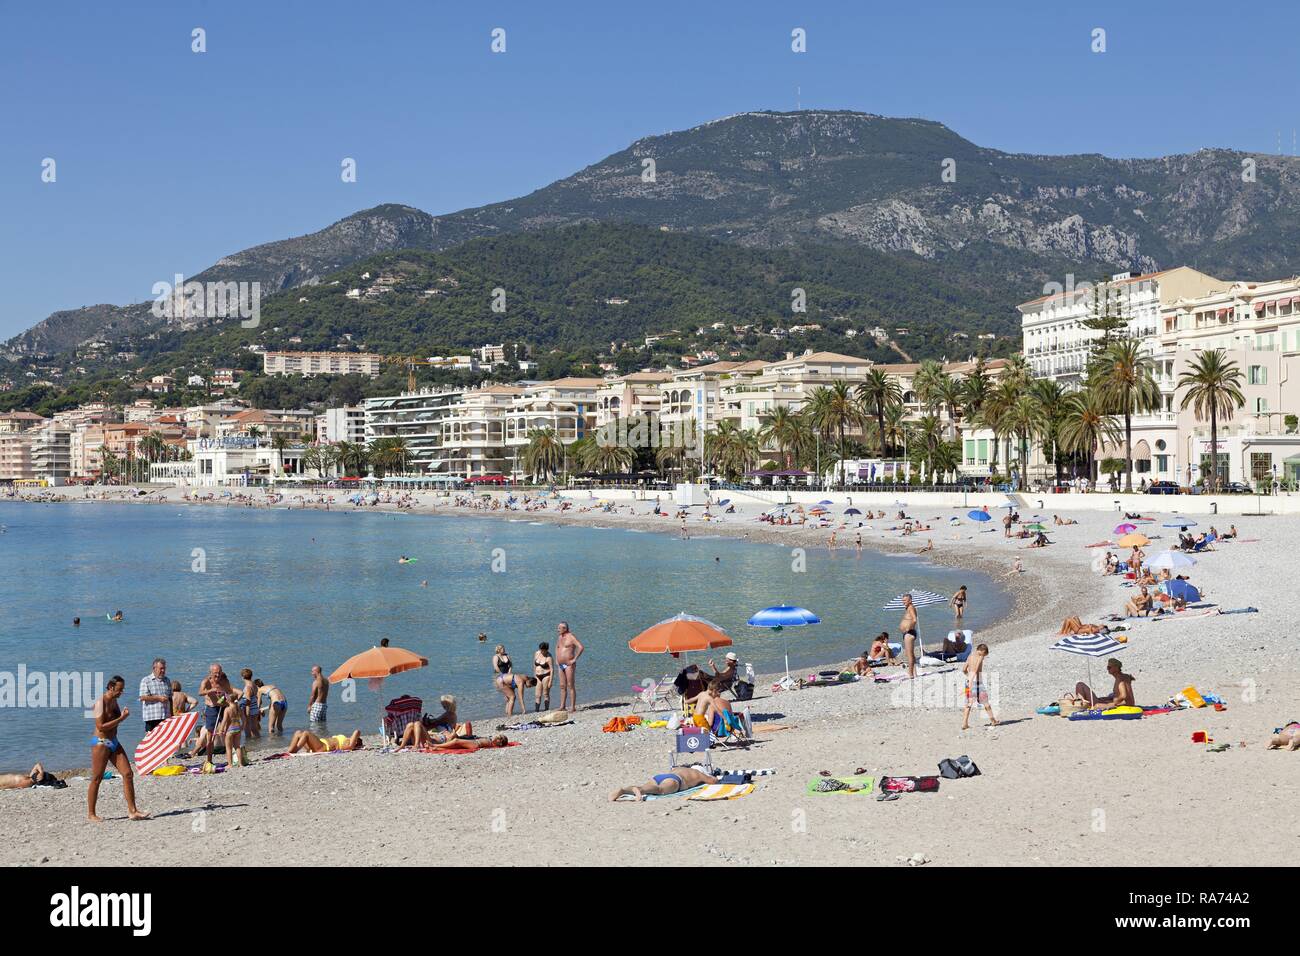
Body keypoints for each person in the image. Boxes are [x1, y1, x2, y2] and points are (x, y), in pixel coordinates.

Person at [87, 676, 148, 822]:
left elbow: (114, 722)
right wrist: (121, 718)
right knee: (97, 778)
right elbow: (100, 726)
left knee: (128, 773)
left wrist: (121, 717)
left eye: (122, 689)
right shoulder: (99, 703)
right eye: (119, 689)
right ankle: (91, 814)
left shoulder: (114, 701)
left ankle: (133, 811)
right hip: (101, 742)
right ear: (111, 687)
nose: (121, 692)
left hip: (113, 741)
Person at [197, 664, 237, 768]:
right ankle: (209, 760)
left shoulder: (224, 680)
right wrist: (211, 691)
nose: (218, 675)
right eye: (215, 673)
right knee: (210, 735)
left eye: (219, 672)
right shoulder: (206, 681)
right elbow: (200, 692)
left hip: (223, 707)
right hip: (212, 708)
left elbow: (230, 692)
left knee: (229, 732)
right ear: (211, 673)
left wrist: (225, 696)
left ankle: (232, 760)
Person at [610, 766, 719, 802]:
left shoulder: (679, 768)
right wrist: (714, 777)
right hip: (676, 780)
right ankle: (640, 791)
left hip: (660, 776)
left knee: (647, 786)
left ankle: (624, 790)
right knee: (659, 790)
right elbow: (712, 781)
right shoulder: (698, 773)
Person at [961, 644, 998, 730]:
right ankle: (993, 721)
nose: (984, 656)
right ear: (982, 651)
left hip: (968, 682)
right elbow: (976, 668)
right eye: (984, 654)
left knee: (968, 704)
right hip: (977, 683)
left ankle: (964, 723)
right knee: (986, 702)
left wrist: (968, 677)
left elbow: (963, 669)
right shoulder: (980, 657)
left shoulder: (970, 656)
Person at [138, 657, 172, 735]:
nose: (163, 671)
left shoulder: (167, 680)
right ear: (154, 668)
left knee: (165, 740)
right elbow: (142, 697)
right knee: (151, 742)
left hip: (165, 717)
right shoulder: (146, 680)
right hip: (152, 717)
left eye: (164, 668)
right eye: (161, 668)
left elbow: (170, 698)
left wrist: (172, 715)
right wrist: (158, 698)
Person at [555, 621, 584, 711]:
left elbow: (581, 647)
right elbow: (557, 647)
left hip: (569, 664)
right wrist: (556, 659)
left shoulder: (571, 637)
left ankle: (572, 707)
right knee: (562, 685)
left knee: (570, 685)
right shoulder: (560, 637)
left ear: (565, 628)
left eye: (559, 628)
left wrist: (574, 659)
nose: (558, 629)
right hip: (560, 664)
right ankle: (562, 706)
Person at [287, 729, 363, 753]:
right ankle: (290, 751)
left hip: (323, 747)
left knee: (306, 733)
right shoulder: (346, 739)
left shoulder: (348, 745)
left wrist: (356, 738)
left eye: (357, 740)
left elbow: (357, 731)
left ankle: (294, 751)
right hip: (318, 744)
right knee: (298, 732)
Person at [899, 593, 919, 679]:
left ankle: (910, 674)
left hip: (909, 633)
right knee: (911, 654)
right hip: (907, 634)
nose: (903, 602)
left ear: (910, 600)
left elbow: (914, 620)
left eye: (905, 600)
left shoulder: (911, 608)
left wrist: (908, 628)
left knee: (909, 654)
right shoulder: (907, 608)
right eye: (903, 600)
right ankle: (914, 672)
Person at [239, 668, 261, 739]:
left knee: (248, 727)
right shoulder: (253, 684)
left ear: (242, 677)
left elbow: (248, 700)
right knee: (254, 727)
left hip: (250, 709)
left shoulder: (248, 687)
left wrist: (247, 713)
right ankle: (258, 741)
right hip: (254, 707)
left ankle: (249, 743)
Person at [533, 642, 555, 711]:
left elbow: (552, 669)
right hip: (537, 676)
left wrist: (550, 681)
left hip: (546, 675)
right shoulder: (537, 653)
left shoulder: (549, 658)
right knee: (537, 694)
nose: (542, 651)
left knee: (545, 693)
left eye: (543, 650)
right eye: (541, 650)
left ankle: (546, 709)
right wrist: (534, 674)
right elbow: (534, 664)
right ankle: (537, 710)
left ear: (547, 649)